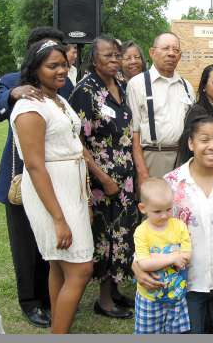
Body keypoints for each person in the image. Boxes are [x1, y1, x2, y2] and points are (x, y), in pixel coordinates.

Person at [133, 117, 213, 333]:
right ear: (191, 144)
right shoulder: (172, 182)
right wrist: (137, 265)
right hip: (183, 283)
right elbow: (151, 230)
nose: (212, 146)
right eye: (204, 140)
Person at [0, 26, 74, 329]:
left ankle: (53, 298)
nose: (58, 62)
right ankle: (30, 302)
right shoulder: (12, 81)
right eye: (47, 50)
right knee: (26, 246)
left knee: (50, 243)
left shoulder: (64, 85)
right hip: (20, 178)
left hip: (59, 179)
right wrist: (11, 95)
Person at [10, 39, 94, 333]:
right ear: (35, 69)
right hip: (51, 192)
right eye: (52, 65)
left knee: (60, 265)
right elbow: (34, 165)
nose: (61, 70)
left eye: (64, 64)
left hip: (72, 190)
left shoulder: (57, 99)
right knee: (81, 268)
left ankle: (59, 330)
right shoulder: (29, 107)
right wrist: (59, 218)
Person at [69, 35, 139, 319]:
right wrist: (104, 178)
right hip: (102, 182)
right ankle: (104, 300)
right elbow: (77, 143)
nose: (114, 60)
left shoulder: (121, 85)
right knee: (105, 238)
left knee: (123, 235)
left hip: (126, 177)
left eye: (117, 55)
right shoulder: (86, 90)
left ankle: (116, 288)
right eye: (108, 55)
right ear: (93, 59)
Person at [127, 32, 195, 186]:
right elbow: (134, 133)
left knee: (180, 207)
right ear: (152, 52)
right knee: (153, 207)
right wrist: (142, 172)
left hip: (183, 158)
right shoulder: (137, 84)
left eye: (176, 50)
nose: (171, 53)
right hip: (153, 157)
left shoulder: (186, 86)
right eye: (166, 48)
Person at [133, 178, 192, 334]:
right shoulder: (142, 232)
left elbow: (186, 255)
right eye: (157, 211)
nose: (165, 215)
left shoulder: (179, 226)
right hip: (150, 297)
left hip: (176, 295)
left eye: (168, 209)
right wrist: (173, 258)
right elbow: (144, 264)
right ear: (143, 208)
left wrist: (156, 259)